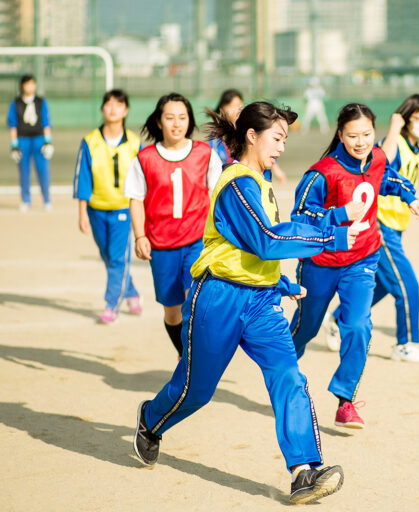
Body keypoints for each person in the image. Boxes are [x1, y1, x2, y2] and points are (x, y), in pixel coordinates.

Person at [132, 101, 355, 504]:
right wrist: (330, 236)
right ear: (251, 136)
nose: (282, 147)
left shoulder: (263, 184)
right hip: (218, 297)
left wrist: (279, 282)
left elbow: (258, 250)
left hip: (260, 303)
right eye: (277, 138)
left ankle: (304, 471)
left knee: (289, 376)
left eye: (285, 139)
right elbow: (266, 241)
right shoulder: (237, 183)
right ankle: (150, 420)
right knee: (196, 391)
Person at [289, 103, 419, 429]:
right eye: (353, 135)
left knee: (358, 325)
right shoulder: (322, 173)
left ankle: (344, 400)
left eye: (366, 134)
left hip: (363, 258)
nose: (361, 141)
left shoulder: (377, 158)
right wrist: (338, 217)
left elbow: (389, 178)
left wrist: (410, 195)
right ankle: (281, 371)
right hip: (321, 263)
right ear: (340, 135)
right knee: (306, 328)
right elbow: (301, 217)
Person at [324, 94, 419, 363]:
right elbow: (380, 162)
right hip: (379, 226)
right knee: (406, 284)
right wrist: (395, 128)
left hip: (396, 227)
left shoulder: (416, 149)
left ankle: (338, 317)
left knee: (384, 283)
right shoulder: (394, 142)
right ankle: (405, 344)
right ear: (405, 117)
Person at [123, 92, 223, 358]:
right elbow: (136, 198)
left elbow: (217, 195)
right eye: (170, 118)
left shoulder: (205, 153)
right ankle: (183, 352)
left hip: (197, 240)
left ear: (189, 121)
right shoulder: (145, 158)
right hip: (162, 246)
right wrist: (140, 236)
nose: (176, 123)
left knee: (195, 299)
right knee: (172, 310)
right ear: (159, 121)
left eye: (182, 117)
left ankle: (196, 354)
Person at [73, 89, 143, 324]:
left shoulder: (134, 143)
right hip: (96, 210)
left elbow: (144, 181)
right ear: (102, 108)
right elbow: (82, 178)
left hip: (123, 210)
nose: (113, 108)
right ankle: (132, 292)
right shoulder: (90, 141)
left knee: (116, 258)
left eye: (118, 104)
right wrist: (82, 211)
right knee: (108, 256)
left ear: (125, 110)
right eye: (108, 104)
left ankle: (111, 304)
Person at [209, 88, 287, 183]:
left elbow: (265, 150)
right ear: (222, 108)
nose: (235, 110)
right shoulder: (215, 136)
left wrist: (277, 170)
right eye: (231, 106)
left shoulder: (250, 127)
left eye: (239, 106)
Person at [7, 74, 54, 211]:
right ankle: (26, 199)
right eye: (27, 84)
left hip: (39, 139)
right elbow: (13, 125)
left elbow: (46, 122)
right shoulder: (15, 103)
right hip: (23, 139)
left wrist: (48, 142)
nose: (30, 86)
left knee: (43, 169)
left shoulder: (41, 102)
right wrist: (14, 145)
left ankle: (46, 199)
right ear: (22, 86)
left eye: (32, 83)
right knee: (24, 170)